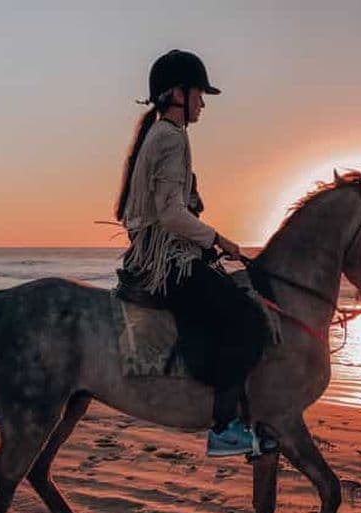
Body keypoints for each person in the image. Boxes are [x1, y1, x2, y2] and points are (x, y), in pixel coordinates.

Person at [114, 49, 274, 457]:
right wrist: (219, 240)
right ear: (178, 94)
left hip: (169, 253)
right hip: (167, 262)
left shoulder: (164, 134)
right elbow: (170, 213)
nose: (203, 102)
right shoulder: (169, 137)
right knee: (247, 320)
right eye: (200, 93)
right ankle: (223, 427)